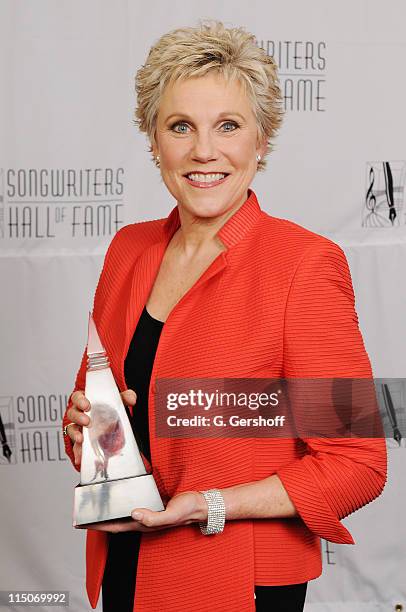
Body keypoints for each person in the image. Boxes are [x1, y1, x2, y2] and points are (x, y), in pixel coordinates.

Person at [62, 21, 387, 612]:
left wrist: (212, 503)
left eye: (228, 126)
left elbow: (357, 465)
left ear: (262, 143)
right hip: (124, 561)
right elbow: (100, 419)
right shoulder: (128, 249)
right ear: (154, 141)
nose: (203, 151)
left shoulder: (304, 266)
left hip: (238, 580)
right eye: (180, 126)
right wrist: (87, 425)